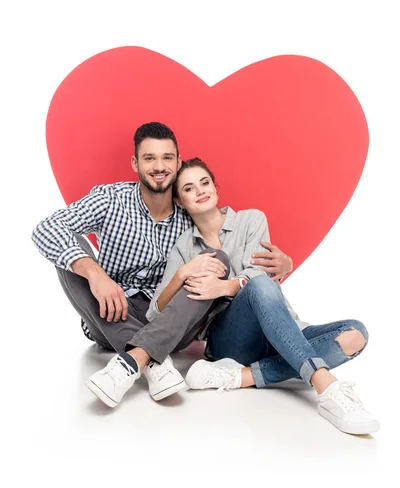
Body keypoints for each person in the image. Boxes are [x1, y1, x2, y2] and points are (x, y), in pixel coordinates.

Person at [32, 122, 292, 404]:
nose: (159, 166)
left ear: (178, 162)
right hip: (110, 310)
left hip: (172, 317)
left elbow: (228, 248)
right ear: (135, 163)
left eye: (167, 158)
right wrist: (96, 275)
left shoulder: (189, 209)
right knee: (70, 254)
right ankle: (155, 361)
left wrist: (285, 262)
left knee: (213, 259)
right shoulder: (111, 199)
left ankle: (134, 361)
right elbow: (46, 229)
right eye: (149, 158)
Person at [148, 158, 380, 435]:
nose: (200, 190)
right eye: (189, 188)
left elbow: (259, 273)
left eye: (205, 182)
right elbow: (154, 313)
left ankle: (240, 377)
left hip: (283, 331)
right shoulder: (184, 245)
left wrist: (222, 287)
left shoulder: (251, 220)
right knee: (259, 285)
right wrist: (182, 274)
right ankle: (326, 386)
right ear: (181, 202)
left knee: (355, 333)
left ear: (216, 187)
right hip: (230, 342)